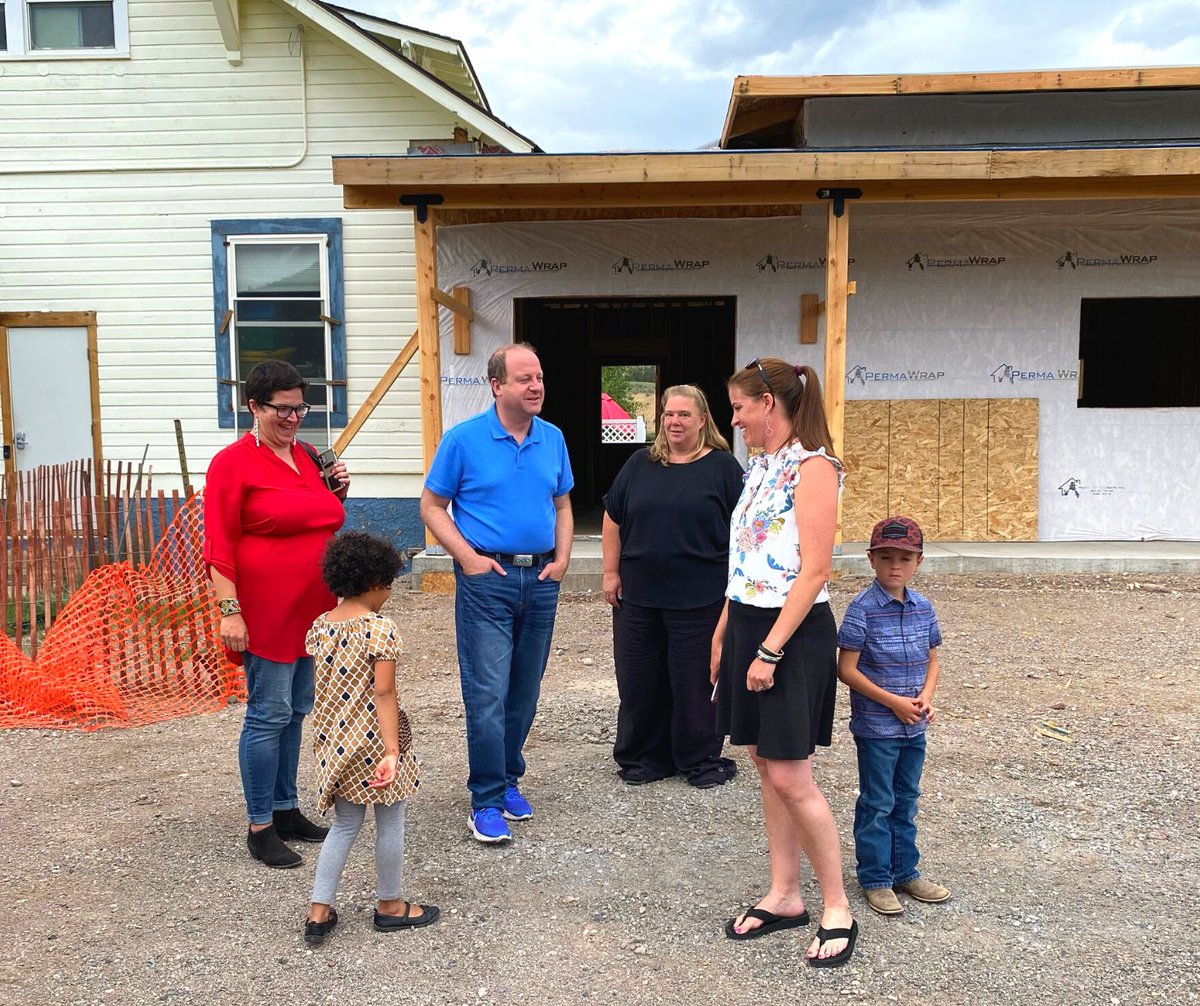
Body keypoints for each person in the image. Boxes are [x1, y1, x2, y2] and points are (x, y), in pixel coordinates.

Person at [712, 357, 857, 968]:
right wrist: (725, 630)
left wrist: (770, 649)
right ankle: (784, 894)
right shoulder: (762, 465)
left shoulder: (814, 468)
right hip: (749, 620)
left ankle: (837, 907)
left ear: (769, 404)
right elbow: (746, 559)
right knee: (764, 762)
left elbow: (816, 570)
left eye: (741, 408)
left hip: (791, 634)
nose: (735, 419)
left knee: (792, 773)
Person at [419, 342, 574, 845]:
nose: (536, 386)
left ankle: (508, 779)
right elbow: (432, 505)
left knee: (524, 692)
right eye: (525, 378)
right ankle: (484, 799)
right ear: (497, 385)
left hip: (541, 581)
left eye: (540, 377)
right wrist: (467, 560)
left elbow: (564, 505)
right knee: (487, 694)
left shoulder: (552, 438)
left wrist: (563, 559)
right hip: (489, 582)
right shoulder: (463, 440)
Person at [204, 360, 349, 869]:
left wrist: (338, 492)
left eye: (299, 408)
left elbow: (325, 518)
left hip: (311, 612)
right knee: (267, 714)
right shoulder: (233, 463)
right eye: (281, 409)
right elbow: (218, 548)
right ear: (254, 406)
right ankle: (260, 824)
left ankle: (287, 809)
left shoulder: (308, 456)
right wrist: (230, 612)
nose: (291, 418)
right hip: (263, 613)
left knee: (297, 710)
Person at [602, 385, 743, 788]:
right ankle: (645, 756)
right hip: (638, 598)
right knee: (639, 678)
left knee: (694, 681)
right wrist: (611, 573)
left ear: (702, 420)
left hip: (700, 598)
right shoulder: (639, 463)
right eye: (668, 414)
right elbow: (612, 518)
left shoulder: (723, 468)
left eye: (684, 414)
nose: (674, 422)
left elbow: (744, 532)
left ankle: (697, 757)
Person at [303, 532, 440, 945]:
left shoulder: (320, 627)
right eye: (389, 585)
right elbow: (383, 692)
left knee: (344, 825)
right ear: (373, 582)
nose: (389, 594)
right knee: (390, 819)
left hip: (335, 743)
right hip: (375, 742)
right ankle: (390, 906)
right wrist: (393, 750)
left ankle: (318, 912)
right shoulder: (379, 630)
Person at [836, 516, 949, 916]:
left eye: (904, 558)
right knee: (878, 800)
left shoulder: (923, 608)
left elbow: (932, 660)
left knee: (907, 797)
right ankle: (876, 877)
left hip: (914, 724)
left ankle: (906, 871)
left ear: (918, 561)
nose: (894, 566)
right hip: (878, 727)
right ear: (871, 560)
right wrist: (893, 702)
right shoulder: (861, 610)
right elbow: (846, 669)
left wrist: (925, 698)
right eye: (885, 558)